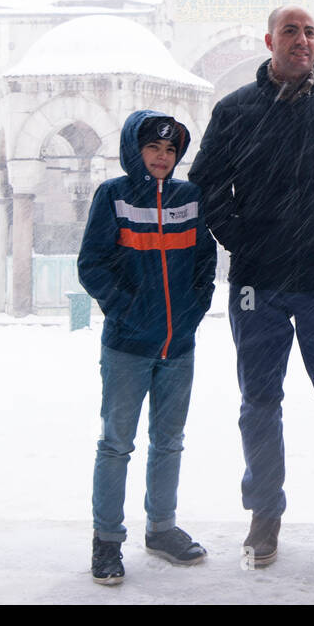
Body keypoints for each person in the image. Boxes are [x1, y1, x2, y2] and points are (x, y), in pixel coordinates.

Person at [187, 6, 314, 568]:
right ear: (270, 40)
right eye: (292, 32)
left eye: (311, 33)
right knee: (259, 402)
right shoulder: (236, 111)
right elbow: (205, 187)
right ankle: (265, 515)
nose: (303, 41)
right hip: (259, 287)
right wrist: (244, 241)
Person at [77, 111, 217, 585]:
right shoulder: (112, 195)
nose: (162, 157)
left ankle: (160, 528)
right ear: (134, 151)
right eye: (154, 148)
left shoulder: (188, 198)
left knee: (170, 441)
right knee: (117, 444)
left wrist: (193, 313)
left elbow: (204, 263)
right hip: (127, 346)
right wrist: (125, 309)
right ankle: (107, 540)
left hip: (178, 347)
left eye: (171, 150)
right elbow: (92, 264)